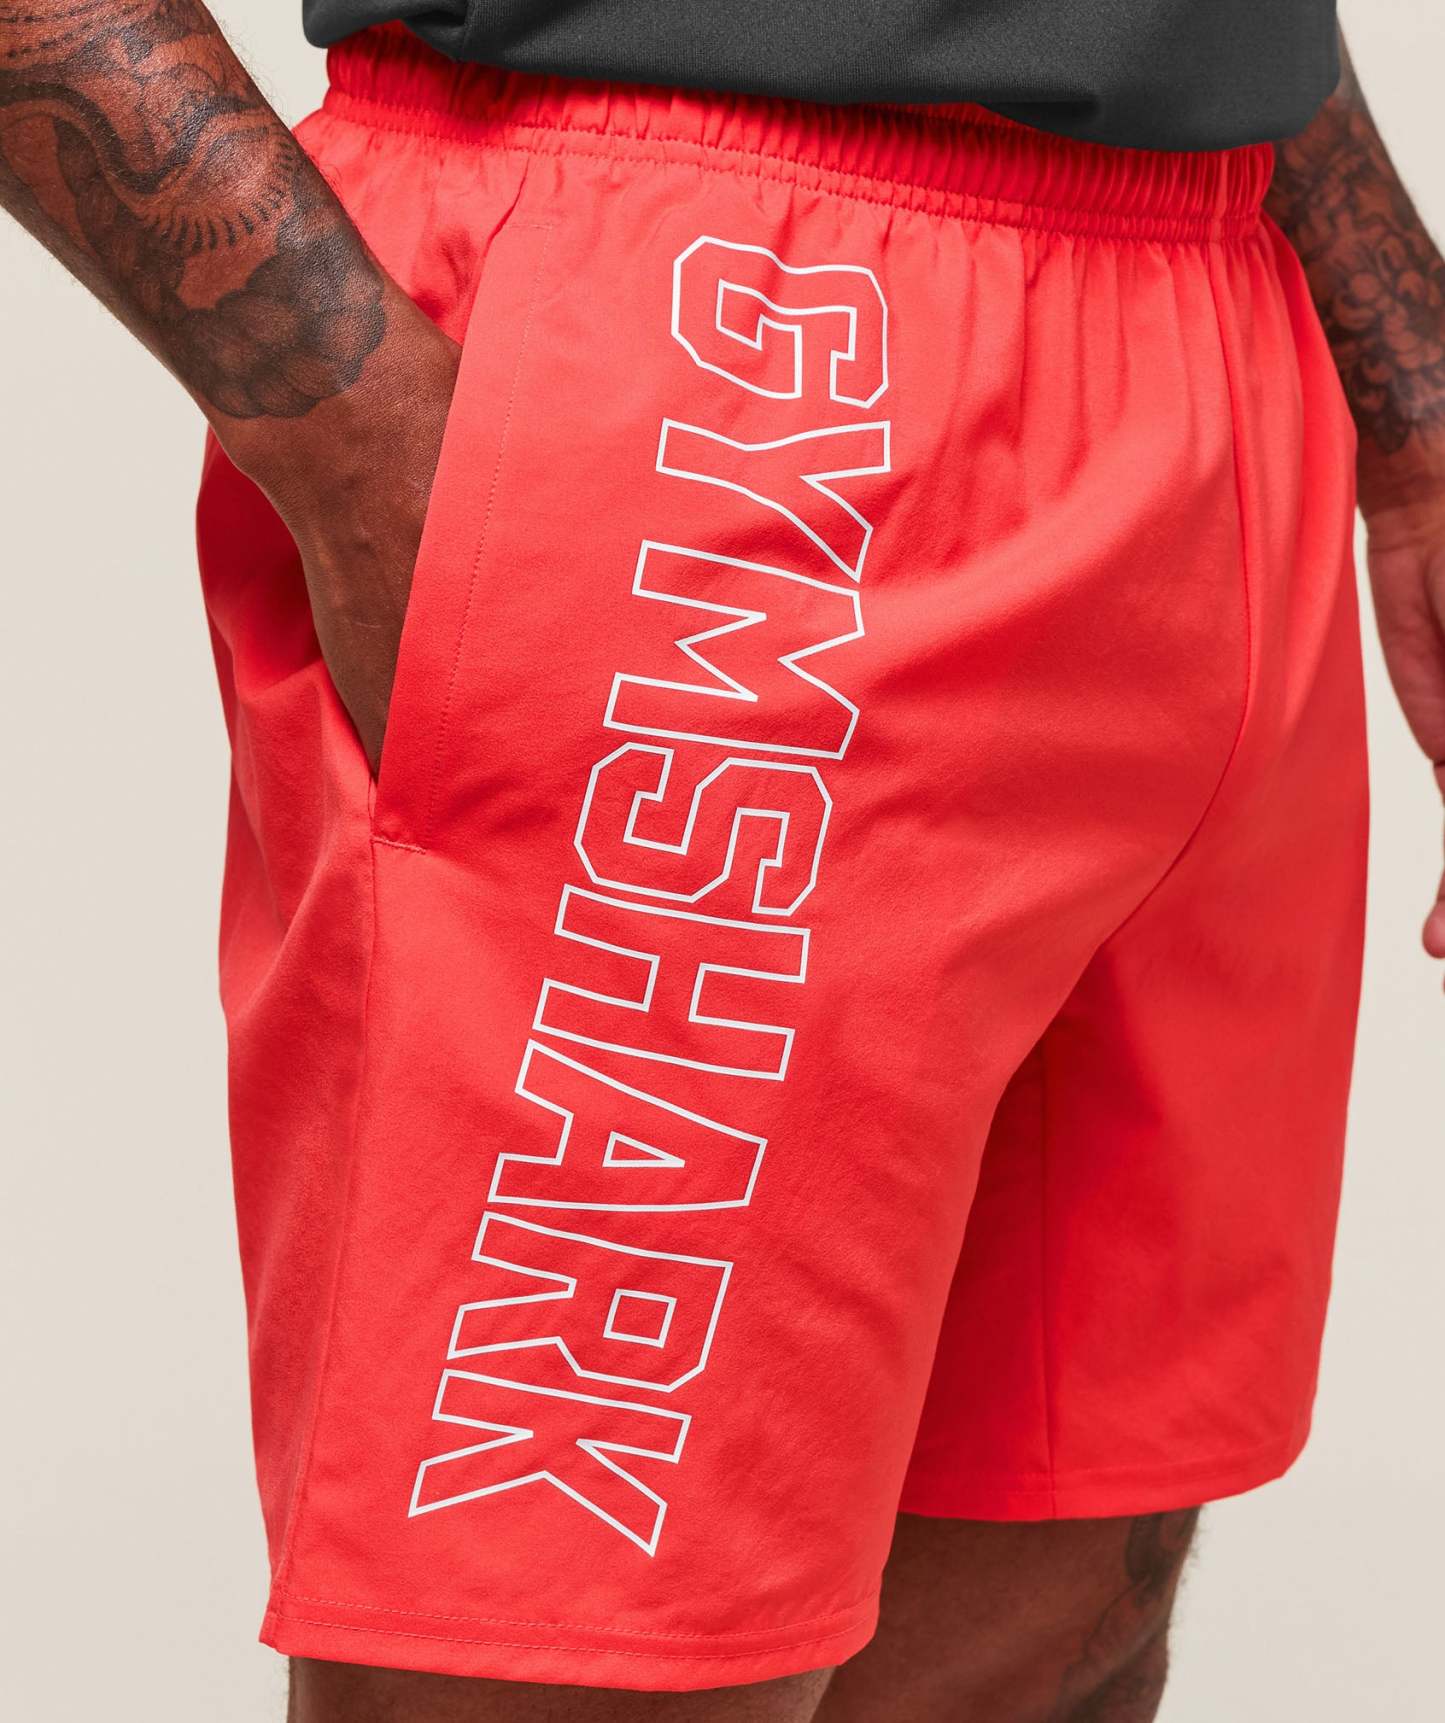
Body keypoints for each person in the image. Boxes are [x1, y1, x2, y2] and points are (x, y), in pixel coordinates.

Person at [2, 5, 1441, 1720]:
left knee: (1056, 1617)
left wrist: (1413, 399)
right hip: (721, 346)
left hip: (1212, 327)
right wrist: (357, 435)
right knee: (568, 1662)